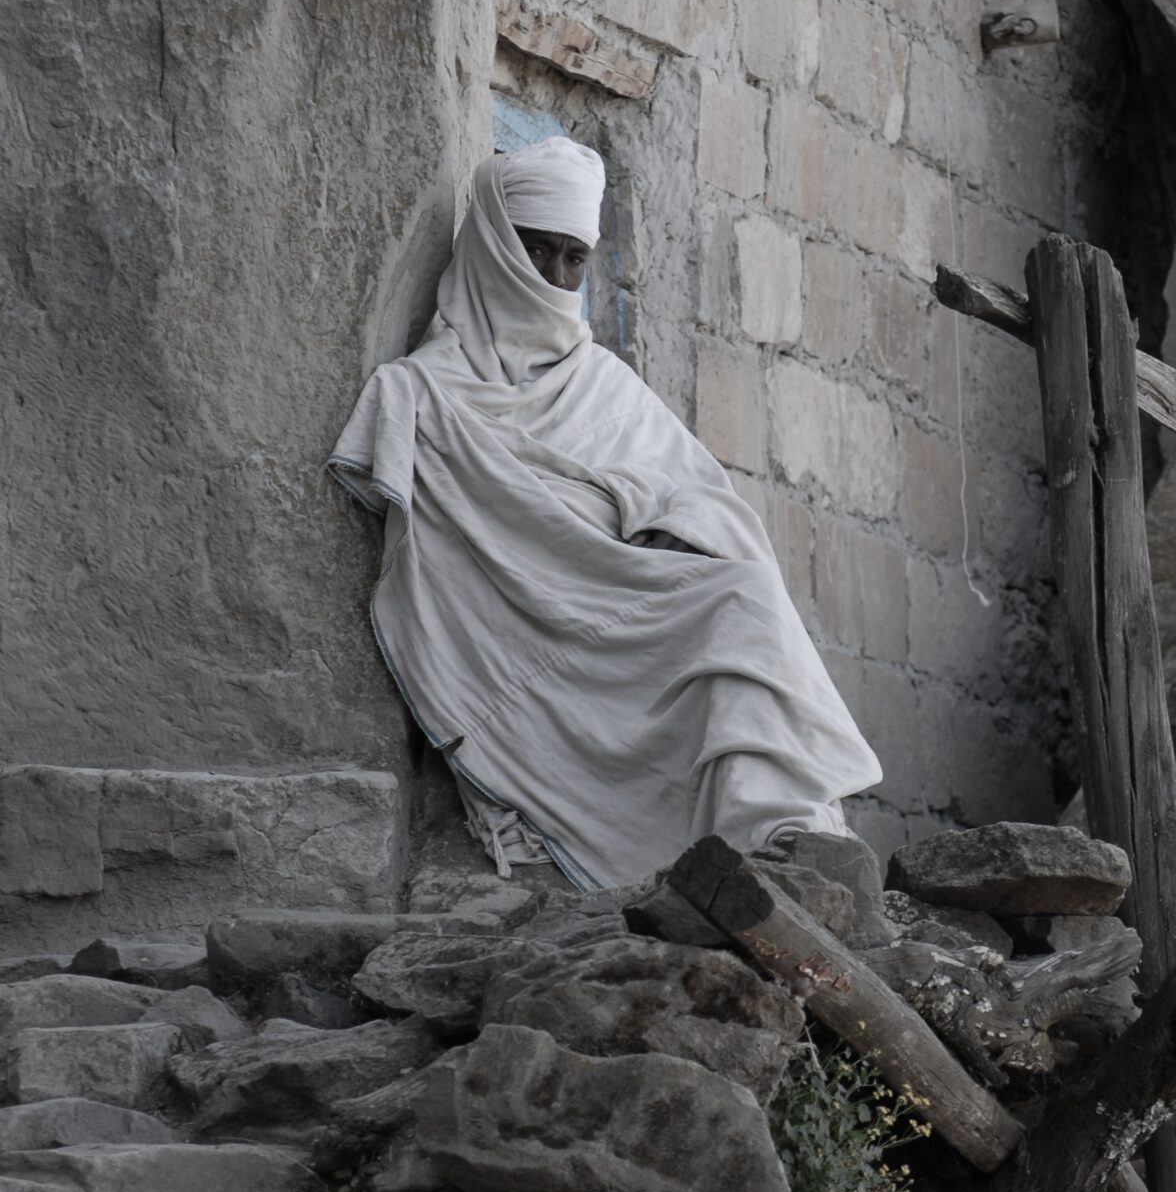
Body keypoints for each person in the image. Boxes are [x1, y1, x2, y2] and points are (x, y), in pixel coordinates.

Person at [329, 137, 881, 887]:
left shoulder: (604, 383)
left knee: (742, 595)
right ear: (492, 245)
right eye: (536, 251)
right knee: (736, 604)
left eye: (574, 258)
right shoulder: (419, 396)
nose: (555, 278)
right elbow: (453, 563)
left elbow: (706, 502)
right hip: (530, 637)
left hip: (638, 603)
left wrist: (660, 521)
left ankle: (779, 838)